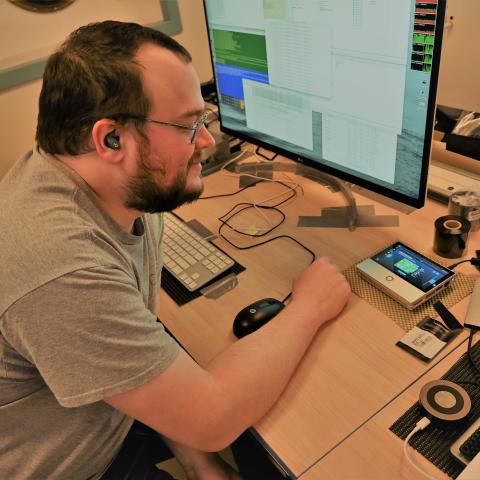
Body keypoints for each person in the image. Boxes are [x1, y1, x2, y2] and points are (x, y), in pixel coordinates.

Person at [0, 20, 350, 480]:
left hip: (118, 417)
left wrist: (196, 461)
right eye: (189, 126)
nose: (207, 142)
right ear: (110, 139)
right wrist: (309, 305)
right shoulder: (62, 267)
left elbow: (137, 352)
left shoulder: (107, 185)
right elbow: (213, 419)